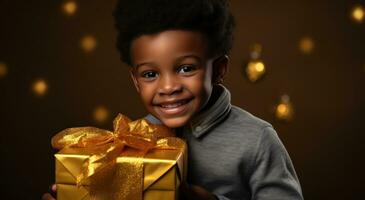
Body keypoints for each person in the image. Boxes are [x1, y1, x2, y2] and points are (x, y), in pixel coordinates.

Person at [43, 0, 303, 199]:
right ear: (136, 80)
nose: (168, 87)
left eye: (186, 68)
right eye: (151, 74)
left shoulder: (257, 139)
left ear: (219, 69)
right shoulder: (135, 138)